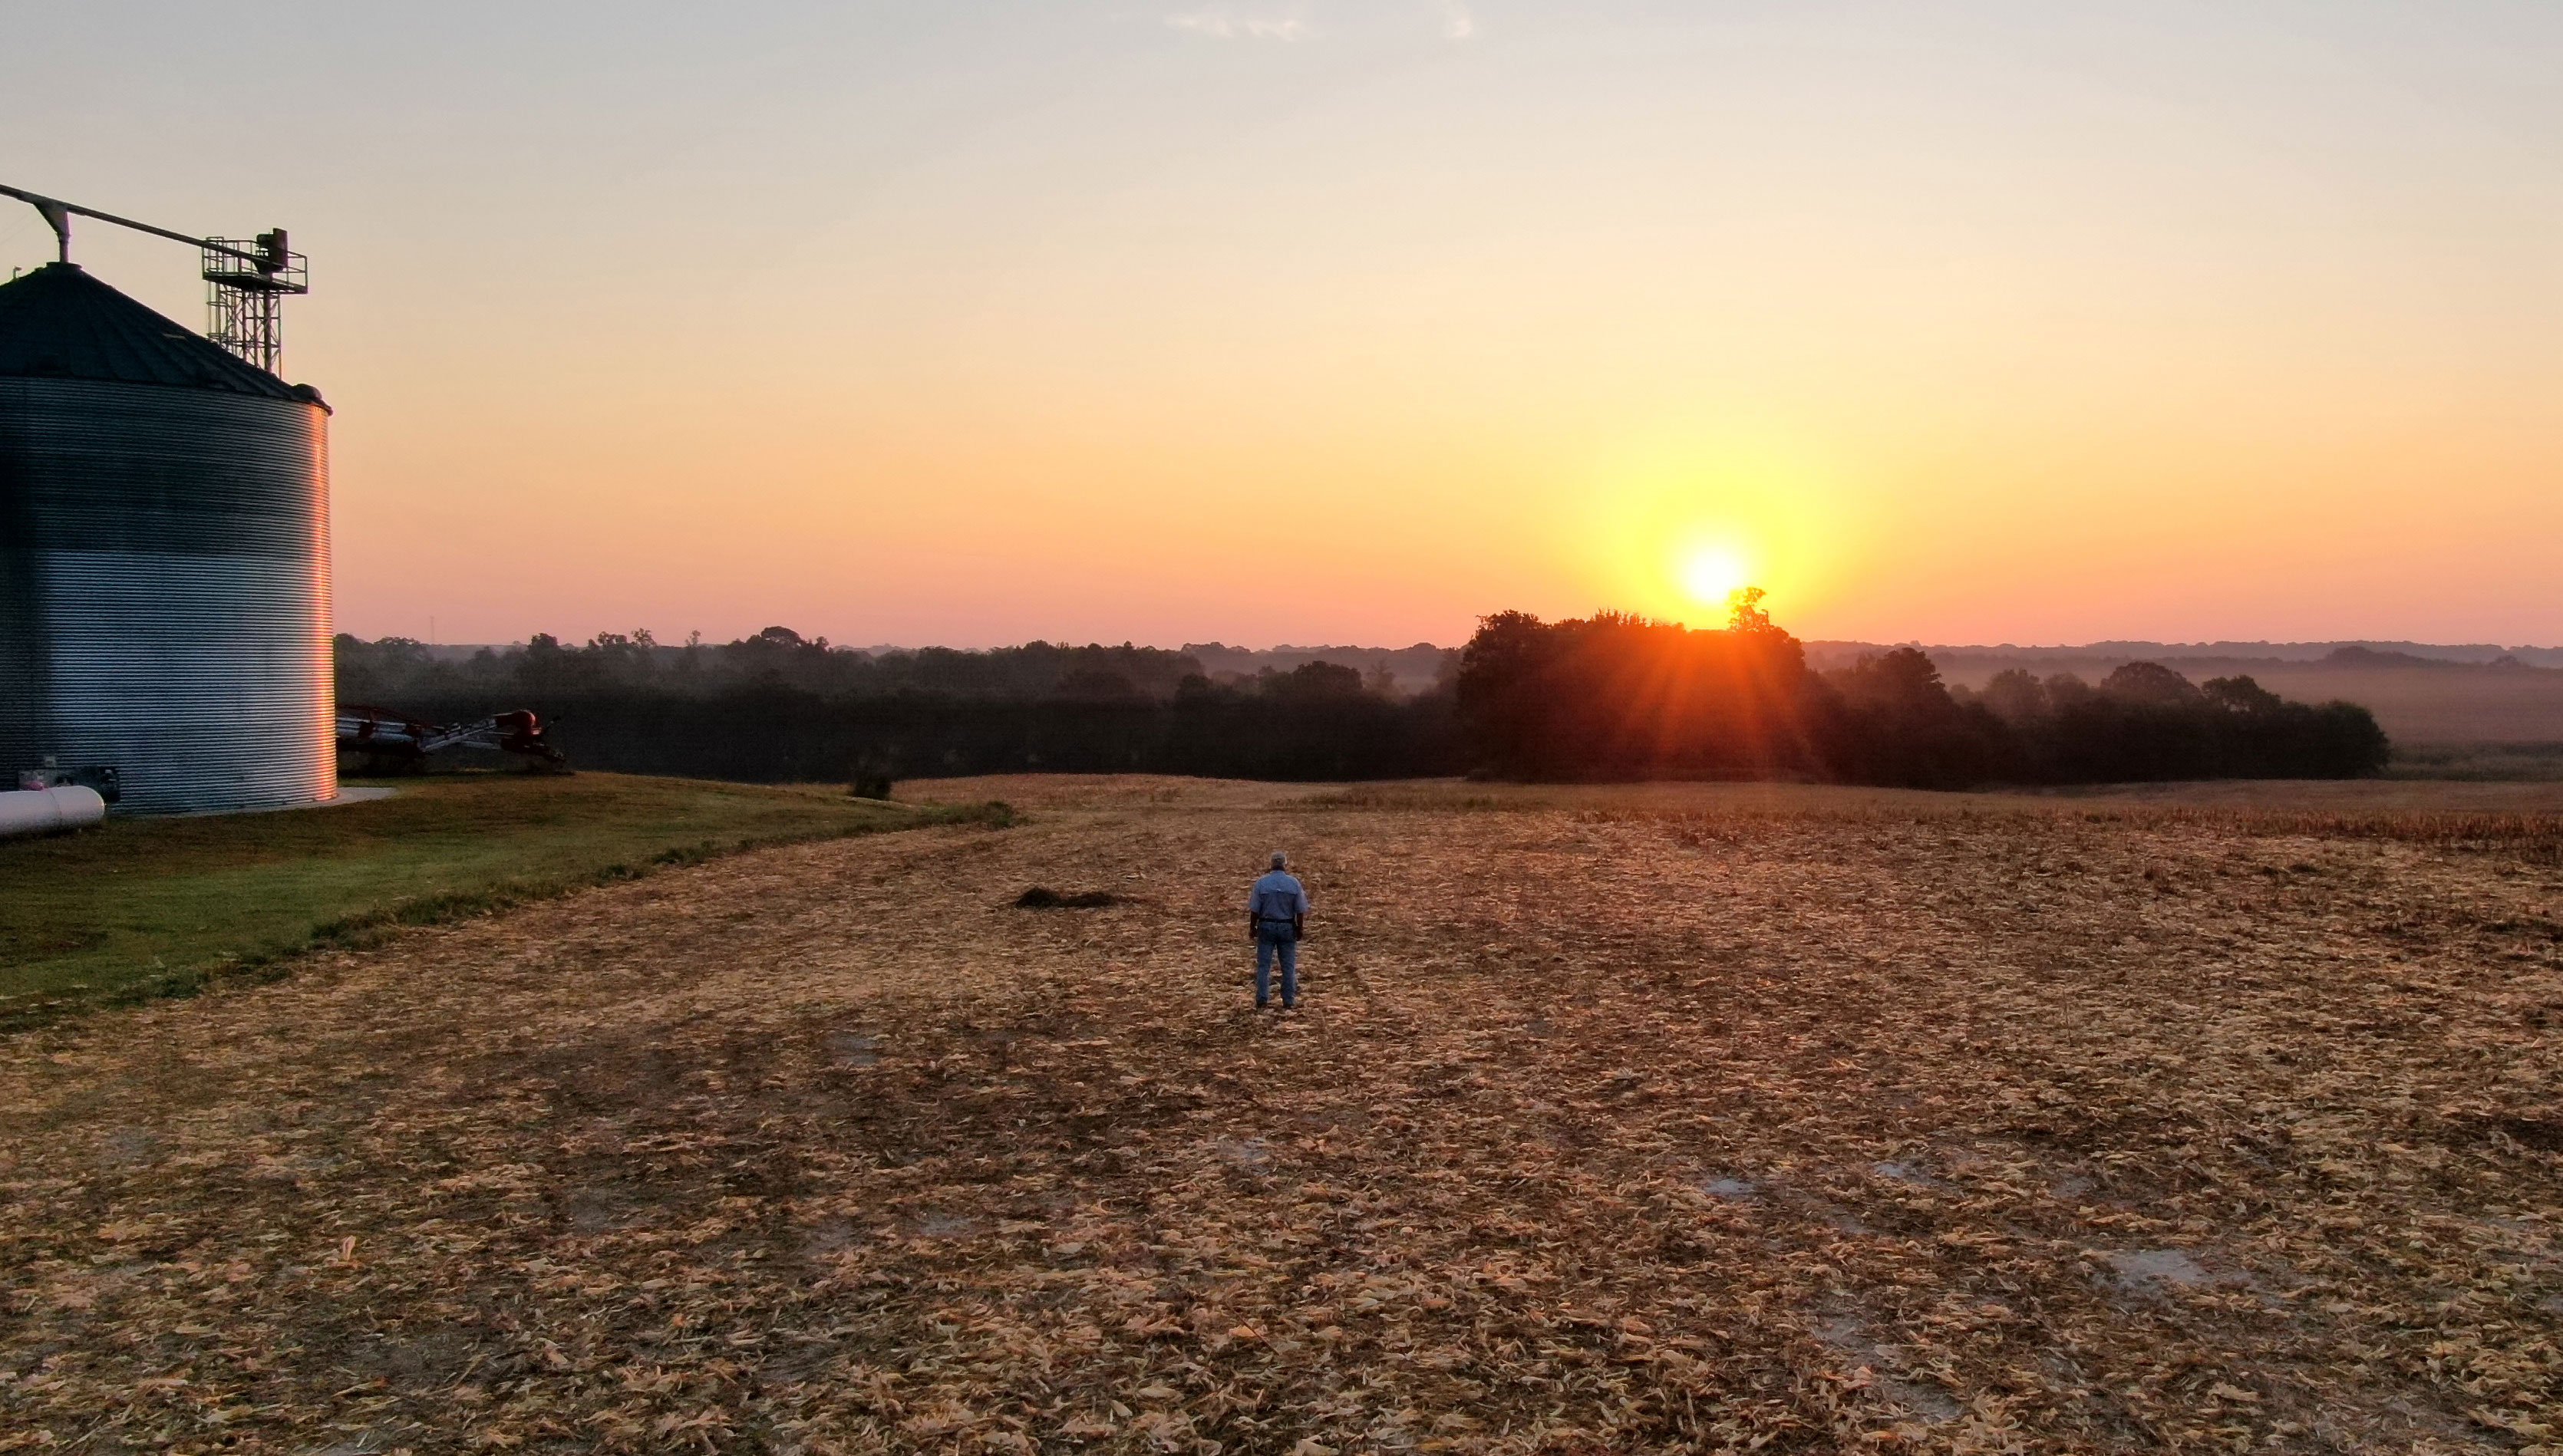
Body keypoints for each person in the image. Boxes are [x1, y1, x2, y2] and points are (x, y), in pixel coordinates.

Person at [1246, 852, 1310, 1010]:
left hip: (1266, 926)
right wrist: (1299, 929)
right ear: (1285, 865)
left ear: (1271, 864)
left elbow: (1255, 910)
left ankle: (1262, 999)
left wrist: (1252, 928)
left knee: (1264, 966)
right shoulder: (1294, 883)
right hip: (1287, 926)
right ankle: (1288, 1001)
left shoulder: (1262, 883)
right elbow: (1300, 910)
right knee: (1288, 965)